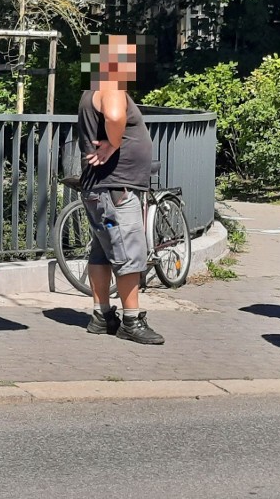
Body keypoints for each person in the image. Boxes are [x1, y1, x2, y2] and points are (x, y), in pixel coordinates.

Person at [77, 34, 164, 345]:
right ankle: (131, 319)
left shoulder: (91, 90)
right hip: (116, 190)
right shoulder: (112, 86)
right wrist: (114, 144)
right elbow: (115, 115)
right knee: (130, 253)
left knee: (101, 252)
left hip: (99, 188)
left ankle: (101, 316)